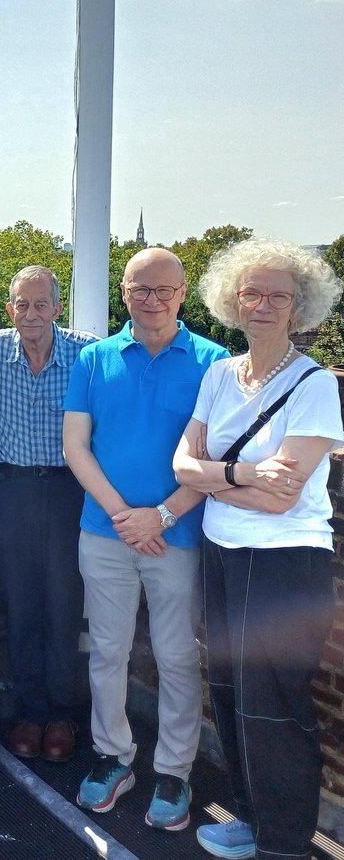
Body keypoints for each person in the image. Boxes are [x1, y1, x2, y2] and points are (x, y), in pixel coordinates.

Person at [172, 239, 343, 860]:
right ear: (233, 302)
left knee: (274, 704)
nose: (264, 304)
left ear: (300, 308)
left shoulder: (315, 385)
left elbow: (283, 499)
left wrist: (213, 475)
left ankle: (286, 843)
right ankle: (250, 820)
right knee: (231, 693)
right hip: (223, 551)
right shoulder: (220, 375)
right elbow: (181, 464)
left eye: (279, 295)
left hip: (282, 564)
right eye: (253, 293)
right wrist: (243, 475)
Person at [63, 247, 229, 832]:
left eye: (164, 290)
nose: (152, 300)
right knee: (106, 650)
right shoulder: (94, 358)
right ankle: (114, 756)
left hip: (179, 533)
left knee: (178, 655)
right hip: (104, 531)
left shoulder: (216, 363)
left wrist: (159, 515)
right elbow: (75, 446)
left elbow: (216, 457)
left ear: (182, 293)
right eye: (141, 288)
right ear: (124, 292)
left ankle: (174, 769)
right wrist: (124, 515)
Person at [0, 265, 95, 763]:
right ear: (9, 308)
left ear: (58, 308)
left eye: (41, 305)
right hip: (8, 490)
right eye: (21, 304)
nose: (30, 314)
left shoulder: (86, 353)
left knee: (64, 604)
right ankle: (30, 711)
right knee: (18, 603)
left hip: (67, 493)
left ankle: (62, 713)